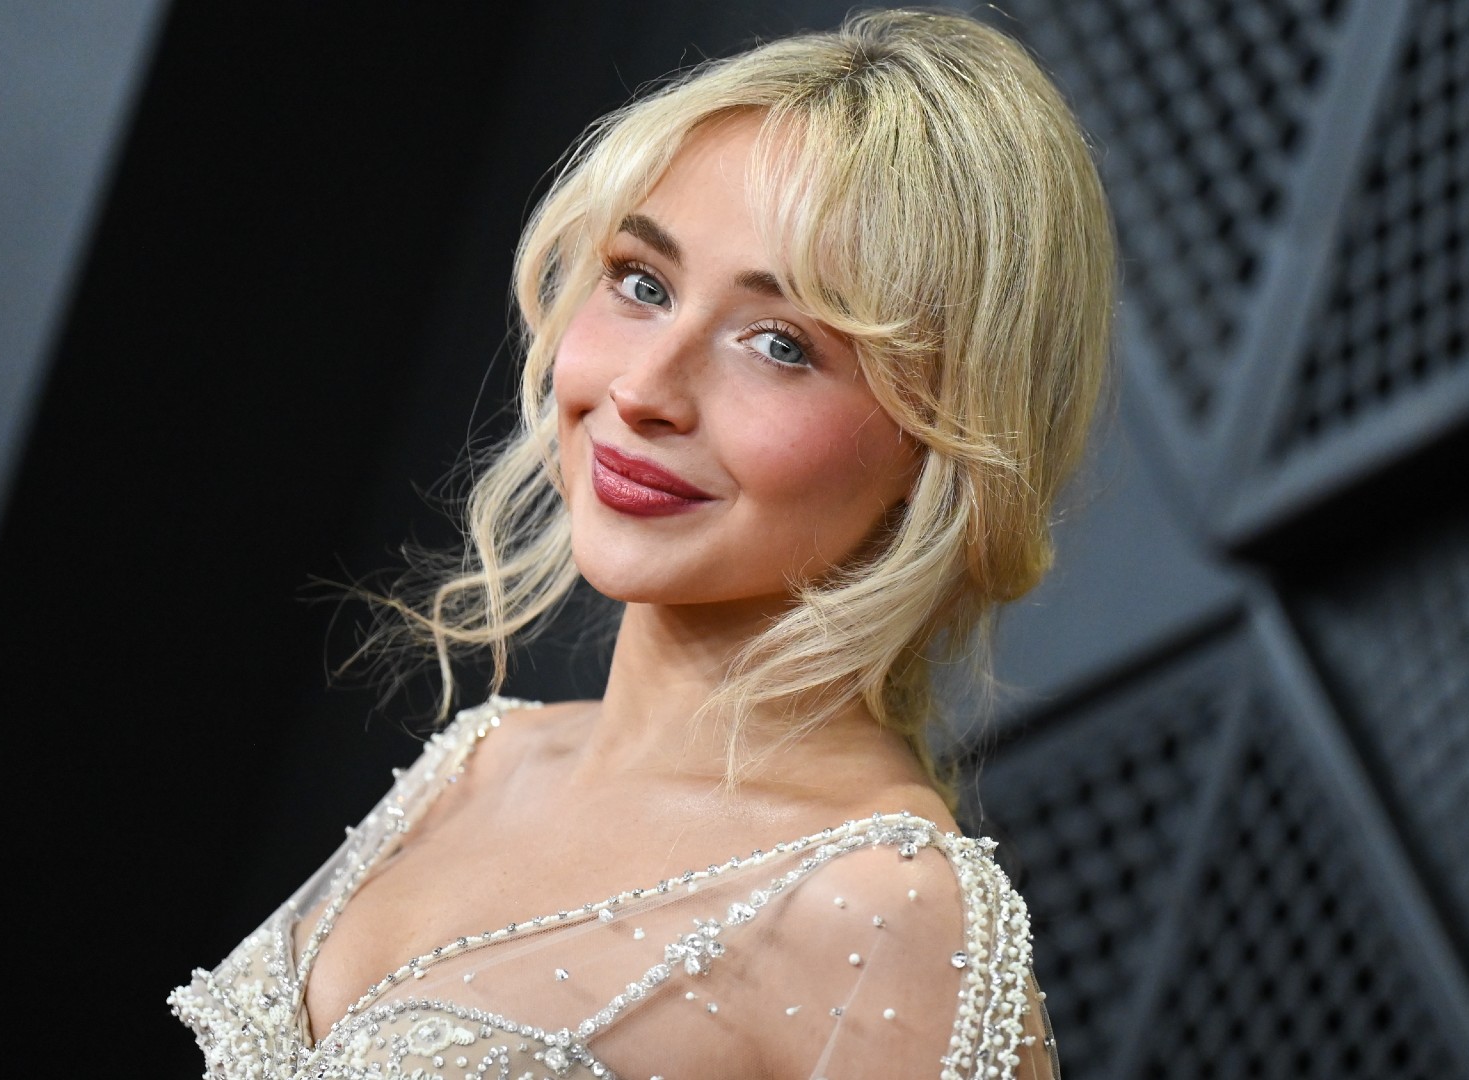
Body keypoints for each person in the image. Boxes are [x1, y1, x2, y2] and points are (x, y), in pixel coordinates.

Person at [169, 9, 1114, 1079]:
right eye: (642, 283)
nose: (644, 389)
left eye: (780, 344)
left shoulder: (887, 913)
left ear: (946, 441)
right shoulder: (481, 762)